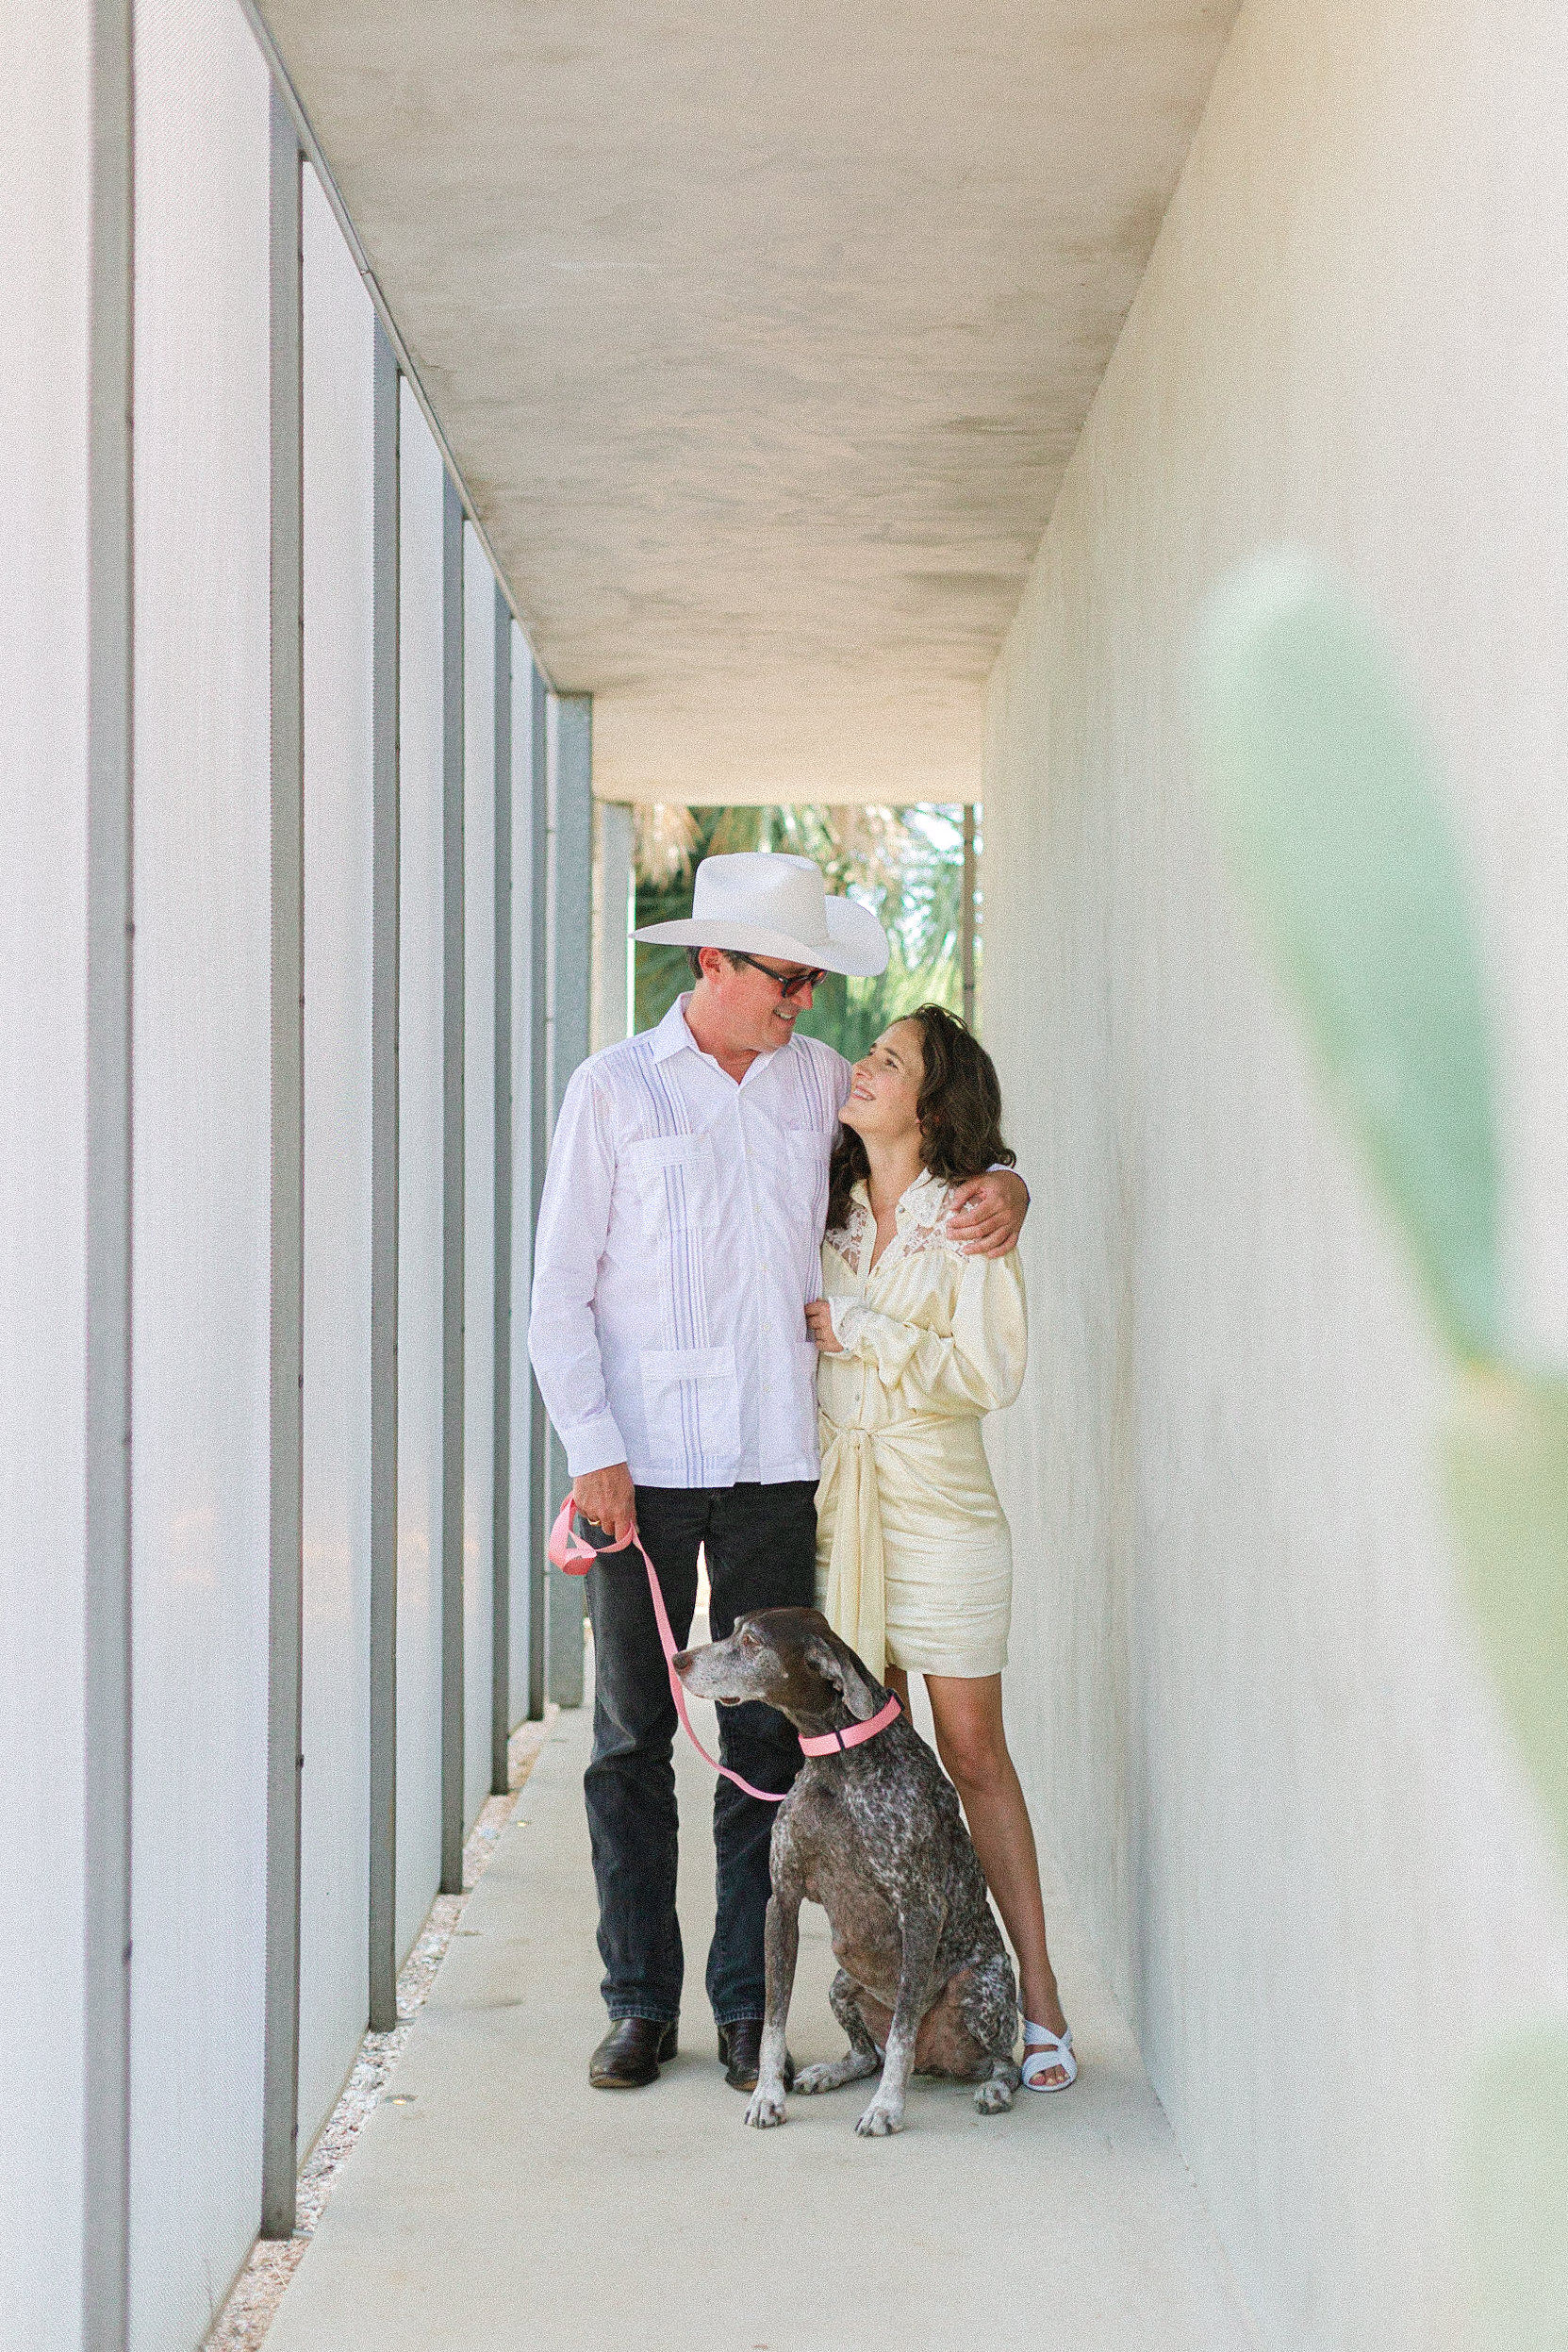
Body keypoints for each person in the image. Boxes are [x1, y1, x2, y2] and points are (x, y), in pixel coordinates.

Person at [527, 852, 1031, 2094]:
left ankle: (749, 2008)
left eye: (811, 980)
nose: (804, 1002)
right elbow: (557, 1295)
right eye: (785, 978)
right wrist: (591, 1450)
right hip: (636, 1474)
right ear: (712, 962)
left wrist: (1008, 1184)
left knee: (767, 1759)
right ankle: (638, 2003)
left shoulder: (818, 1093)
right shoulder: (612, 1091)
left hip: (773, 1466)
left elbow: (933, 1163)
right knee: (630, 1742)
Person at [807, 1004, 1074, 2092]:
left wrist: (860, 1329)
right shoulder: (816, 1214)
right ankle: (894, 2007)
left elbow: (986, 1374)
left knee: (970, 1757)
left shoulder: (967, 1217)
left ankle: (1043, 2004)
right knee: (868, 1768)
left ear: (933, 1099)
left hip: (942, 1509)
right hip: (840, 1513)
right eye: (868, 1053)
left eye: (889, 1060)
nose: (862, 1067)